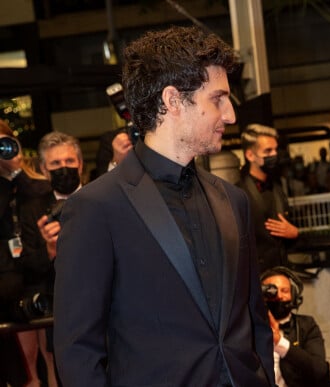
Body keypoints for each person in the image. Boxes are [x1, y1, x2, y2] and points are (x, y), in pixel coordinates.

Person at [53, 25, 274, 387]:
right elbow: (78, 350)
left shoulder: (234, 200)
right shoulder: (96, 207)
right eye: (217, 99)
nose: (231, 115)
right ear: (173, 101)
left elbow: (255, 320)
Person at [18, 130, 84, 387]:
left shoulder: (105, 199)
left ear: (80, 163)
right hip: (61, 313)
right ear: (45, 170)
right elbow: (25, 265)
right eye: (55, 164)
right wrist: (49, 252)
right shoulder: (32, 210)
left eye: (69, 161)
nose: (63, 168)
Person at [0, 121, 51, 387]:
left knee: (53, 358)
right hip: (8, 286)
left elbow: (43, 196)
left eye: (5, 143)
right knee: (24, 367)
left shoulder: (33, 182)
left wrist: (17, 171)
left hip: (40, 275)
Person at [238, 124, 299, 271]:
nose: (274, 155)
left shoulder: (278, 189)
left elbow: (286, 233)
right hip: (255, 277)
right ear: (250, 155)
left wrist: (294, 233)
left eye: (275, 150)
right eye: (268, 151)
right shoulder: (238, 193)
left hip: (282, 272)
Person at [261, 266, 329, 387]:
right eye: (271, 292)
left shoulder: (306, 325)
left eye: (285, 291)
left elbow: (319, 370)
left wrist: (279, 343)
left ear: (294, 295)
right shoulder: (248, 328)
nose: (279, 296)